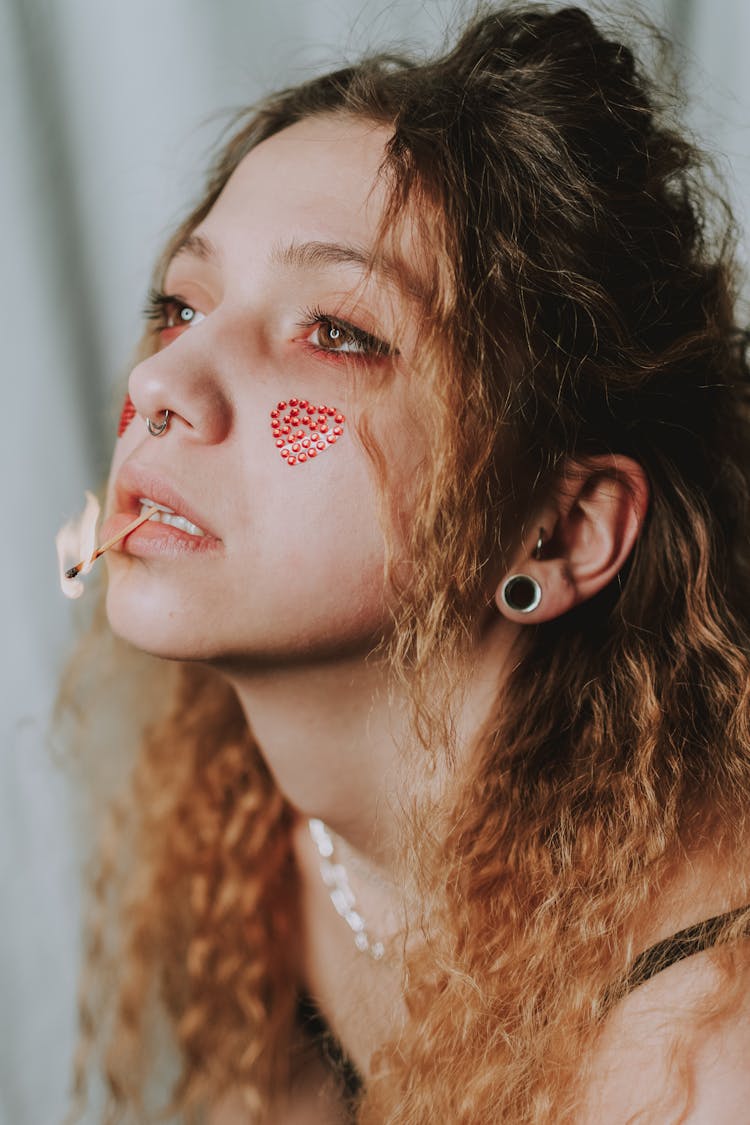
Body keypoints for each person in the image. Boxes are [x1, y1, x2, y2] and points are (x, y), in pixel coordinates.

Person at [59, 4, 750, 1122]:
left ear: (561, 530)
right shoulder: (266, 849)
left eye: (337, 330)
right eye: (180, 305)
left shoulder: (704, 1051)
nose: (162, 384)